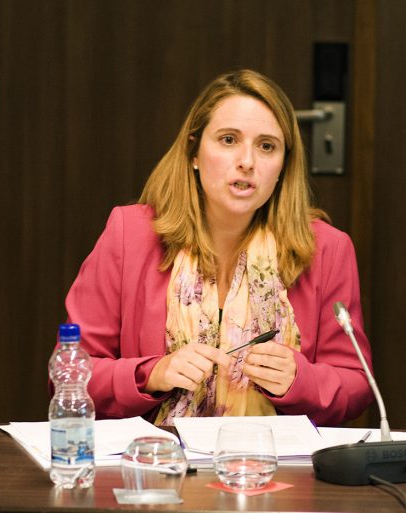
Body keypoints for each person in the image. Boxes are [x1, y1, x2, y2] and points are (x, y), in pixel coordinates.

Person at [64, 69, 373, 426]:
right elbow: (70, 373)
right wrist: (152, 374)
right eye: (228, 140)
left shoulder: (327, 249)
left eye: (267, 146)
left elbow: (357, 386)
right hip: (157, 455)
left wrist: (299, 381)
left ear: (283, 166)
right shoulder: (130, 233)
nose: (247, 162)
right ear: (193, 152)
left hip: (273, 457)